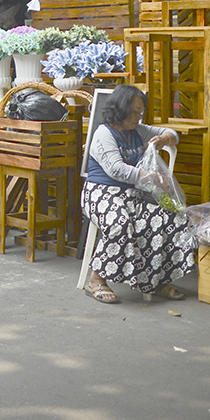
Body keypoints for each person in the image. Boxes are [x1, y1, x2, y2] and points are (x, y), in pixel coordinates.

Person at [81, 84, 195, 304]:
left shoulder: (137, 130)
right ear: (120, 109)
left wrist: (164, 140)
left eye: (140, 112)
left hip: (131, 197)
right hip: (100, 194)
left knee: (171, 218)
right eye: (134, 112)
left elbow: (173, 134)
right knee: (120, 222)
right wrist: (153, 178)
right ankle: (96, 279)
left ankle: (157, 279)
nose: (138, 117)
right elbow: (116, 169)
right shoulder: (104, 133)